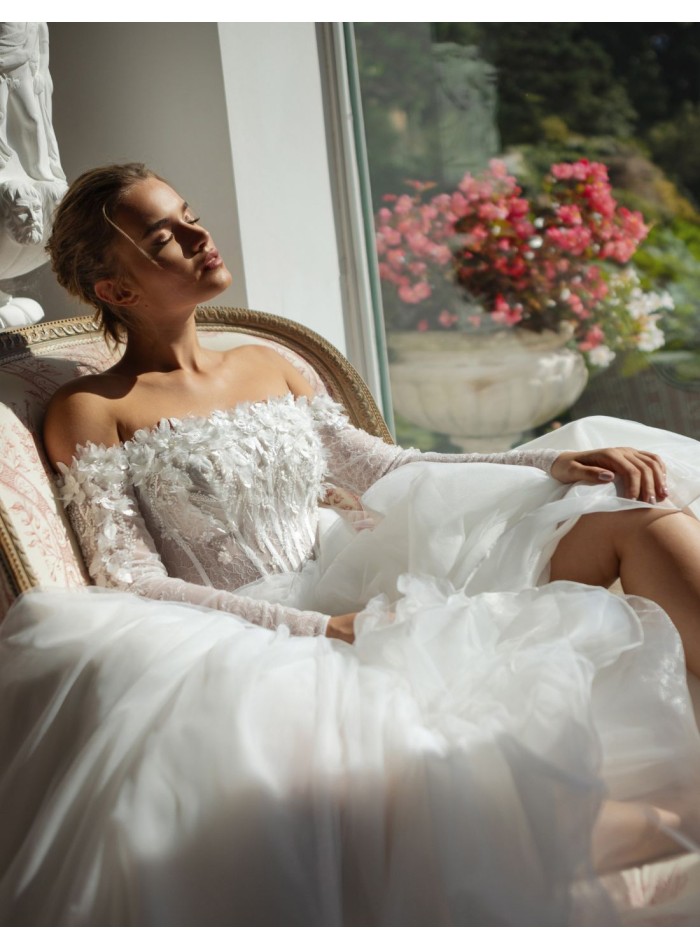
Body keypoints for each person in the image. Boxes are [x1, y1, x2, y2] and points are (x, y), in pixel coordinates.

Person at [1, 162, 699, 925]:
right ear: (116, 291)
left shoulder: (270, 364)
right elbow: (129, 580)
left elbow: (386, 468)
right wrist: (317, 629)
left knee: (643, 521)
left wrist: (547, 464)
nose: (200, 235)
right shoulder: (92, 409)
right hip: (249, 629)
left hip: (360, 564)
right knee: (438, 731)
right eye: (166, 236)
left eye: (189, 214)